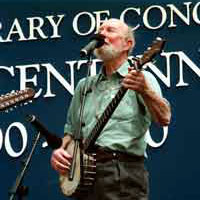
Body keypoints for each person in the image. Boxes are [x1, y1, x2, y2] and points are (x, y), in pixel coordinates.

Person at [51, 18, 171, 200]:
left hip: (122, 171)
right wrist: (61, 152)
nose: (102, 34)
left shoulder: (142, 77)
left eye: (110, 30)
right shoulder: (84, 85)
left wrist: (145, 90)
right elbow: (71, 133)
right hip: (84, 175)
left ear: (127, 44)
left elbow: (164, 118)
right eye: (100, 30)